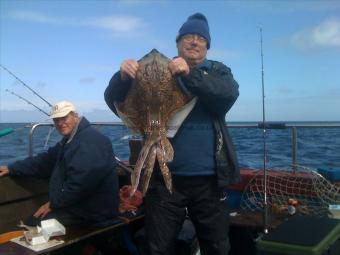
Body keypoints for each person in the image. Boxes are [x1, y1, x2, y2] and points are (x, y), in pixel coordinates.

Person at [104, 13, 240, 255]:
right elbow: (116, 102)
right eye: (188, 37)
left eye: (201, 38)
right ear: (178, 43)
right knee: (157, 248)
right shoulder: (156, 71)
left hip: (209, 181)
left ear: (208, 45)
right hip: (164, 180)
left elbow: (226, 96)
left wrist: (190, 73)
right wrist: (122, 77)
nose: (194, 41)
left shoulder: (218, 71)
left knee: (217, 247)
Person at [0, 101, 119, 227]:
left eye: (64, 118)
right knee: (34, 221)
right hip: (78, 205)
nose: (60, 123)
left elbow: (81, 184)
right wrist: (11, 168)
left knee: (35, 224)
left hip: (94, 212)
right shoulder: (70, 140)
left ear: (75, 116)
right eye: (56, 120)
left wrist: (53, 204)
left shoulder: (90, 141)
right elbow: (44, 161)